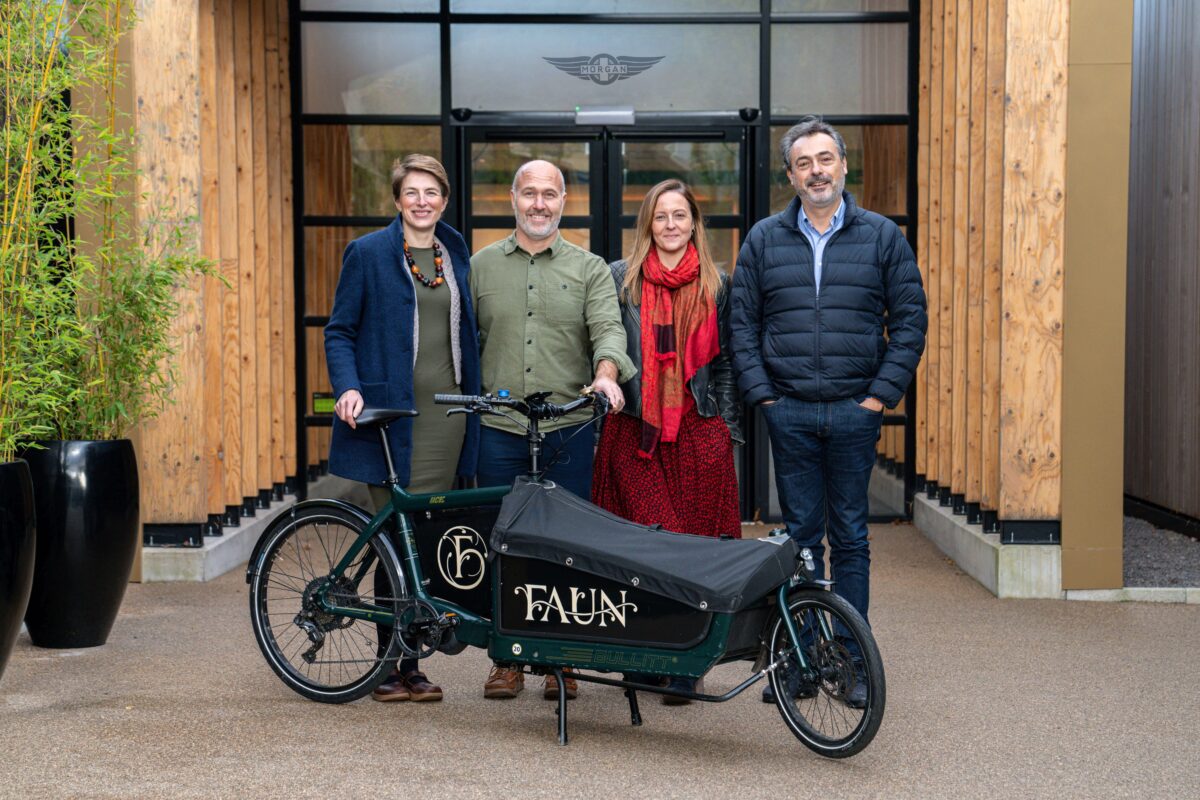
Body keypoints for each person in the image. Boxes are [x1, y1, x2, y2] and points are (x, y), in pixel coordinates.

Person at [730, 117, 927, 708]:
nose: (816, 171)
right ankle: (801, 657)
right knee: (800, 540)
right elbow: (742, 325)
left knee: (851, 539)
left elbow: (910, 322)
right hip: (788, 412)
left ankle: (851, 658)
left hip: (852, 412)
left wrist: (877, 398)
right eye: (804, 163)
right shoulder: (764, 238)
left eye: (826, 159)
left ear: (843, 166)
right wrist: (765, 396)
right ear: (790, 175)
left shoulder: (882, 237)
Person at [469, 159, 634, 701]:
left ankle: (560, 657)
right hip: (499, 427)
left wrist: (607, 374)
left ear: (564, 202)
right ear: (513, 199)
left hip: (568, 429)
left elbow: (608, 330)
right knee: (504, 544)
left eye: (550, 194)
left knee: (568, 547)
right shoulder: (480, 267)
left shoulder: (589, 269)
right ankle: (506, 659)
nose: (540, 204)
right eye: (529, 193)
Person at [325, 153, 481, 705]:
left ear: (444, 199)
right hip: (392, 420)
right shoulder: (367, 253)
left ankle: (412, 664)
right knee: (397, 539)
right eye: (411, 192)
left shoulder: (455, 250)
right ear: (397, 200)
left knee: (427, 543)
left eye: (431, 192)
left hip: (448, 419)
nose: (422, 201)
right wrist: (348, 387)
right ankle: (392, 667)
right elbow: (339, 330)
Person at [590, 179, 741, 702]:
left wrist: (725, 429)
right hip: (636, 430)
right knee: (646, 545)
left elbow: (726, 365)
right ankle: (646, 651)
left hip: (699, 431)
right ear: (647, 225)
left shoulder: (717, 284)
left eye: (680, 216)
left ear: (695, 221)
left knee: (694, 551)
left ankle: (685, 662)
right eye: (661, 217)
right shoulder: (619, 279)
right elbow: (606, 339)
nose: (671, 225)